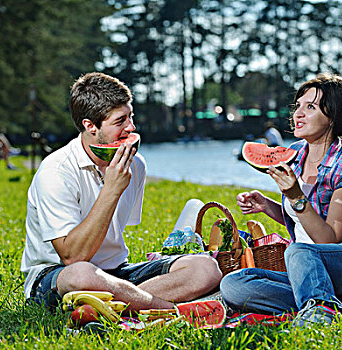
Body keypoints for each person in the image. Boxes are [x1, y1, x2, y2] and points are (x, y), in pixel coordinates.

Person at [20, 72, 222, 313]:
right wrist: (111, 190)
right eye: (120, 121)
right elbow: (73, 257)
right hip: (56, 277)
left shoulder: (135, 165)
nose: (132, 127)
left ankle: (107, 306)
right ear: (90, 126)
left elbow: (114, 238)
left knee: (206, 269)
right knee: (82, 275)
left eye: (131, 116)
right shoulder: (56, 171)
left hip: (118, 273)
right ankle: (169, 310)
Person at [220, 73, 342, 327]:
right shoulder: (294, 154)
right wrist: (267, 205)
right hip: (306, 266)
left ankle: (322, 311)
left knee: (298, 252)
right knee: (233, 284)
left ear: (333, 116)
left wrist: (296, 195)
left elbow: (328, 238)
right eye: (298, 107)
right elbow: (302, 221)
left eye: (310, 107)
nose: (298, 114)